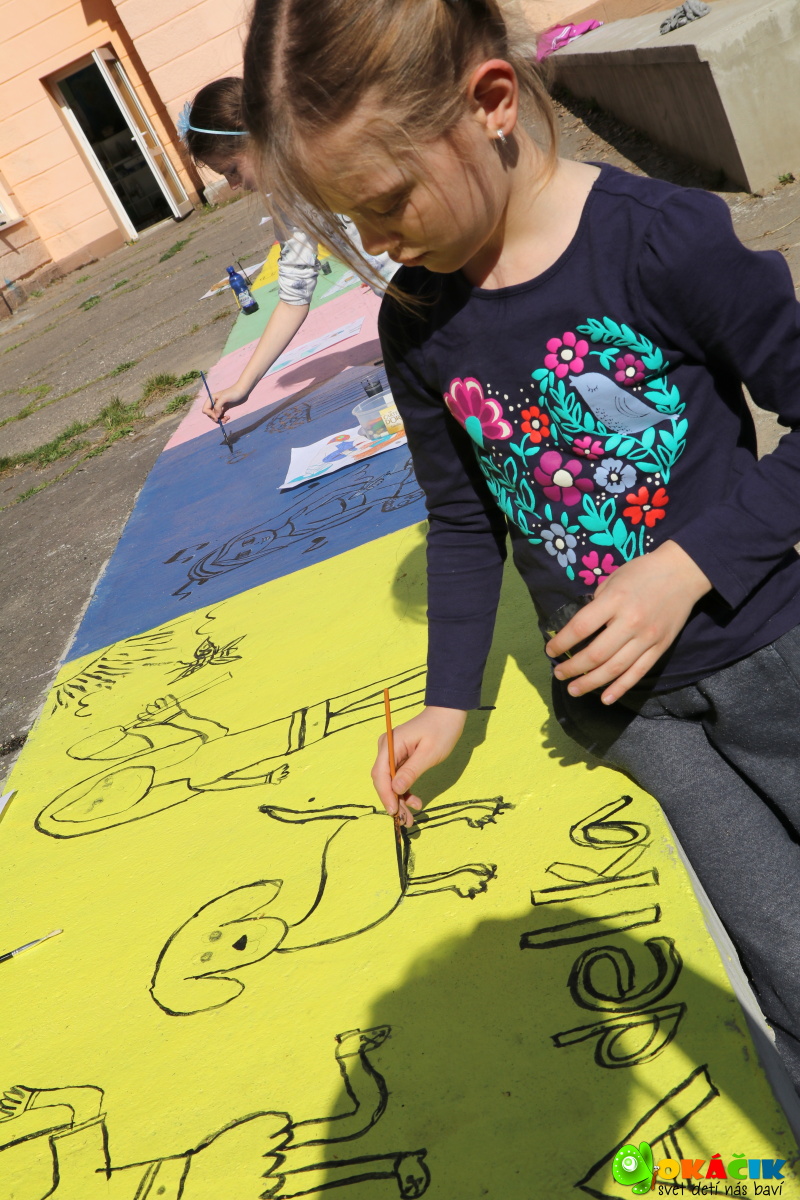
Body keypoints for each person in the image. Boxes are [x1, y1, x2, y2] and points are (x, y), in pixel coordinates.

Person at [240, 0, 800, 1089]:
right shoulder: (416, 320)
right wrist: (446, 709)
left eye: (386, 202)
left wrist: (683, 568)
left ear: (490, 103)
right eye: (351, 221)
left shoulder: (664, 241)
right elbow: (463, 523)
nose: (378, 244)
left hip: (771, 663)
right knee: (779, 964)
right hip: (631, 717)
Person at [179, 78, 398, 425]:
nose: (234, 185)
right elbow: (294, 295)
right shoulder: (287, 199)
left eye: (232, 170)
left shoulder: (340, 153)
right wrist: (242, 386)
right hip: (408, 309)